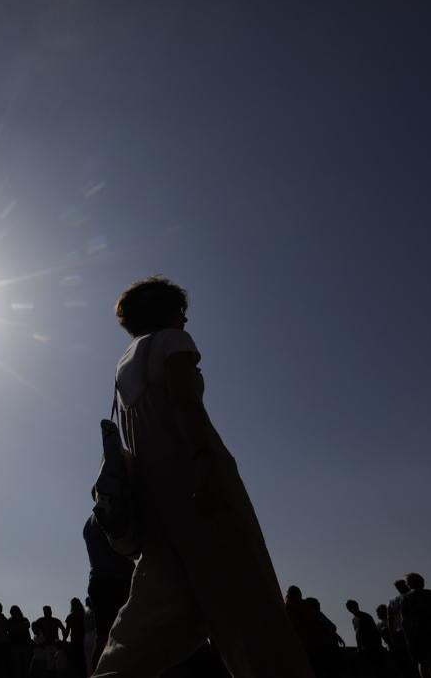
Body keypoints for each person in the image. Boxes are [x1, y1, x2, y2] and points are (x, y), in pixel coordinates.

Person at [92, 277, 313, 678]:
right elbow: (185, 401)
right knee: (248, 597)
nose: (186, 317)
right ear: (167, 312)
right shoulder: (171, 342)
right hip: (196, 482)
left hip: (157, 501)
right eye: (180, 310)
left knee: (151, 616)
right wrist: (204, 459)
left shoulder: (124, 364)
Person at [84, 513, 135, 672]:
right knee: (129, 631)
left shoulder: (88, 524)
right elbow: (124, 545)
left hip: (98, 581)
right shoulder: (107, 513)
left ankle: (97, 673)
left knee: (102, 636)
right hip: (115, 580)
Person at [346, 600, 384, 676]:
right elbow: (358, 634)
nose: (351, 609)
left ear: (357, 606)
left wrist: (377, 646)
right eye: (349, 607)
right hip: (364, 648)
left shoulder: (366, 616)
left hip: (373, 647)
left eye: (352, 606)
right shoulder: (354, 620)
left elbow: (374, 632)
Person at [386, 580, 414, 678]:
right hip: (412, 629)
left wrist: (392, 633)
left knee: (405, 658)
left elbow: (390, 618)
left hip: (399, 631)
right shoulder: (413, 595)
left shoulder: (392, 600)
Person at [64, 598, 86, 677]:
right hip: (83, 641)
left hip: (75, 641)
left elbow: (67, 631)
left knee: (75, 663)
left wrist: (64, 641)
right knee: (83, 663)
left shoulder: (70, 616)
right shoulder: (84, 615)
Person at [8, 605, 32, 678]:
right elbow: (10, 629)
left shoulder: (23, 619)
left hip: (23, 646)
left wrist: (16, 627)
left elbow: (27, 625)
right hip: (16, 646)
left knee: (24, 666)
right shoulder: (10, 621)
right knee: (18, 667)